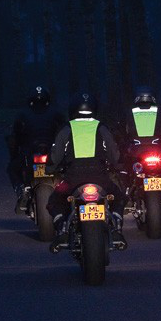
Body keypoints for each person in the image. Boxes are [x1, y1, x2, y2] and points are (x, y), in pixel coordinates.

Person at [46, 93, 127, 251]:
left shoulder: (66, 129)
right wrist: (118, 166)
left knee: (55, 200)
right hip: (100, 178)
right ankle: (116, 227)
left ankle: (62, 229)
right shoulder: (101, 127)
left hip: (72, 179)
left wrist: (50, 169)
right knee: (119, 196)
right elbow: (113, 152)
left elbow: (55, 157)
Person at [6, 86, 66, 212]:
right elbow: (66, 130)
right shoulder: (56, 112)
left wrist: (14, 154)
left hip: (29, 152)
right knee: (65, 168)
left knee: (12, 168)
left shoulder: (23, 114)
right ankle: (64, 189)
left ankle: (21, 189)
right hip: (52, 151)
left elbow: (14, 135)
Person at [120, 86, 161, 210]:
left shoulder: (129, 113)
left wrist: (123, 145)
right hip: (158, 150)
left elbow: (121, 132)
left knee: (126, 170)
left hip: (136, 151)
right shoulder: (160, 111)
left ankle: (127, 196)